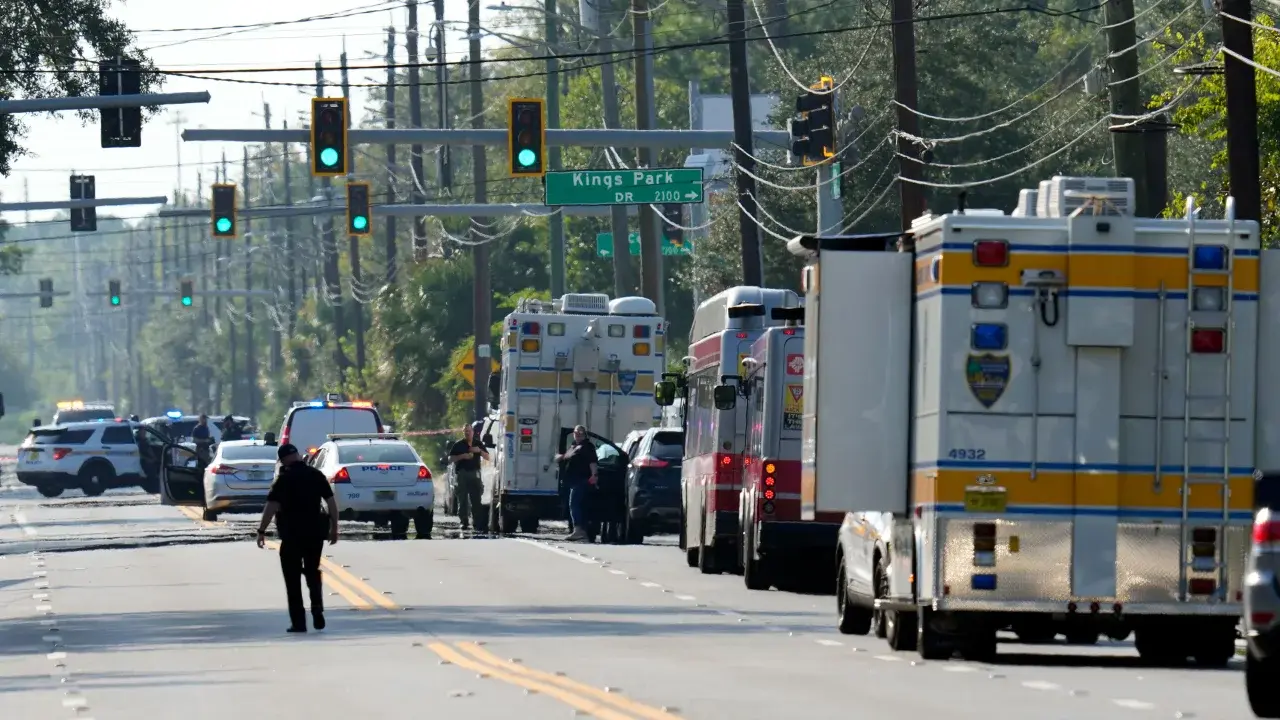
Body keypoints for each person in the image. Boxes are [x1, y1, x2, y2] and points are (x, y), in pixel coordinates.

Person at [256, 443, 339, 633]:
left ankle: (299, 622)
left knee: (292, 579)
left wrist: (261, 531)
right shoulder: (315, 475)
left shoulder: (283, 480)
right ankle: (317, 607)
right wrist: (335, 528)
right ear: (298, 456)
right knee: (312, 571)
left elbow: (271, 507)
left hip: (291, 535)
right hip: (315, 533)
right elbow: (331, 503)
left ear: (283, 460)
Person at [554, 425, 598, 542]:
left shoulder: (587, 447)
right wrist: (561, 457)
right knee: (575, 505)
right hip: (571, 481)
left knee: (574, 504)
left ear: (584, 434)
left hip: (581, 480)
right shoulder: (573, 446)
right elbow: (562, 458)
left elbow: (592, 462)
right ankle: (579, 530)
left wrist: (594, 475)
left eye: (580, 432)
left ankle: (579, 530)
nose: (577, 434)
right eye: (575, 432)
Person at [448, 422, 489, 531]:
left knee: (476, 498)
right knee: (463, 499)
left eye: (469, 431)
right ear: (463, 432)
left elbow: (488, 457)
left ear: (473, 432)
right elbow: (450, 459)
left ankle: (476, 521)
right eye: (465, 431)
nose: (467, 433)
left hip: (475, 474)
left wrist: (479, 451)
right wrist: (462, 456)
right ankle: (464, 521)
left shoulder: (478, 443)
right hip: (462, 474)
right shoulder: (458, 445)